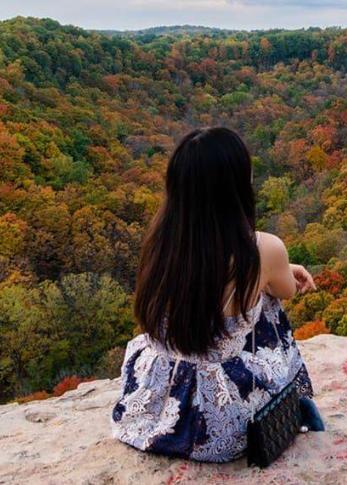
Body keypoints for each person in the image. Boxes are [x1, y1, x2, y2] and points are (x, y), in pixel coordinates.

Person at [111, 127, 324, 463]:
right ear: (236, 186)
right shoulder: (263, 248)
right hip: (222, 417)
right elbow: (285, 291)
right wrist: (278, 270)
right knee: (268, 304)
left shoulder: (162, 244)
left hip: (158, 400)